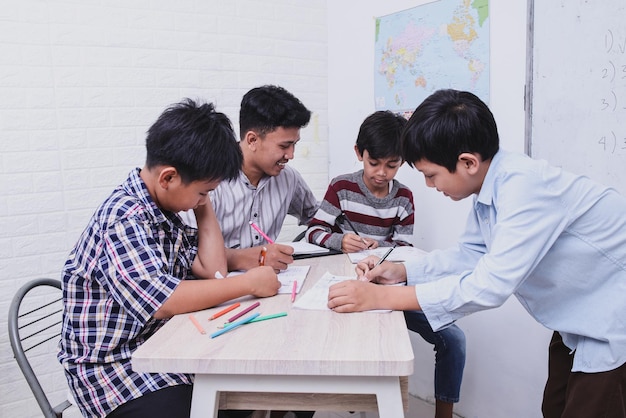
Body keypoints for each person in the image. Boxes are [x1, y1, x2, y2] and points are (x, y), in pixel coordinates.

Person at [328, 89, 626, 418]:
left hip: (610, 319)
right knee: (554, 407)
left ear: (468, 162)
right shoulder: (491, 187)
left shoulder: (523, 187)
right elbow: (470, 254)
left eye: (431, 174)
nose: (429, 185)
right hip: (577, 319)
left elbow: (489, 285)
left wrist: (378, 298)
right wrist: (402, 272)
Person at [57, 99, 281, 418]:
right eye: (204, 191)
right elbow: (163, 301)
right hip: (115, 372)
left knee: (244, 393)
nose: (205, 200)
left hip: (163, 352)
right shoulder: (125, 218)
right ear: (168, 178)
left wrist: (202, 203)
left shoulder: (162, 209)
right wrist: (249, 283)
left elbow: (212, 270)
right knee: (228, 403)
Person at [307, 110, 465, 418]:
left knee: (454, 339)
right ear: (359, 154)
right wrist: (341, 241)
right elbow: (314, 230)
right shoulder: (341, 188)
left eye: (392, 165)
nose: (382, 172)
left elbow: (404, 247)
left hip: (391, 290)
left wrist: (379, 251)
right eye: (374, 163)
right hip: (346, 285)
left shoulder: (404, 197)